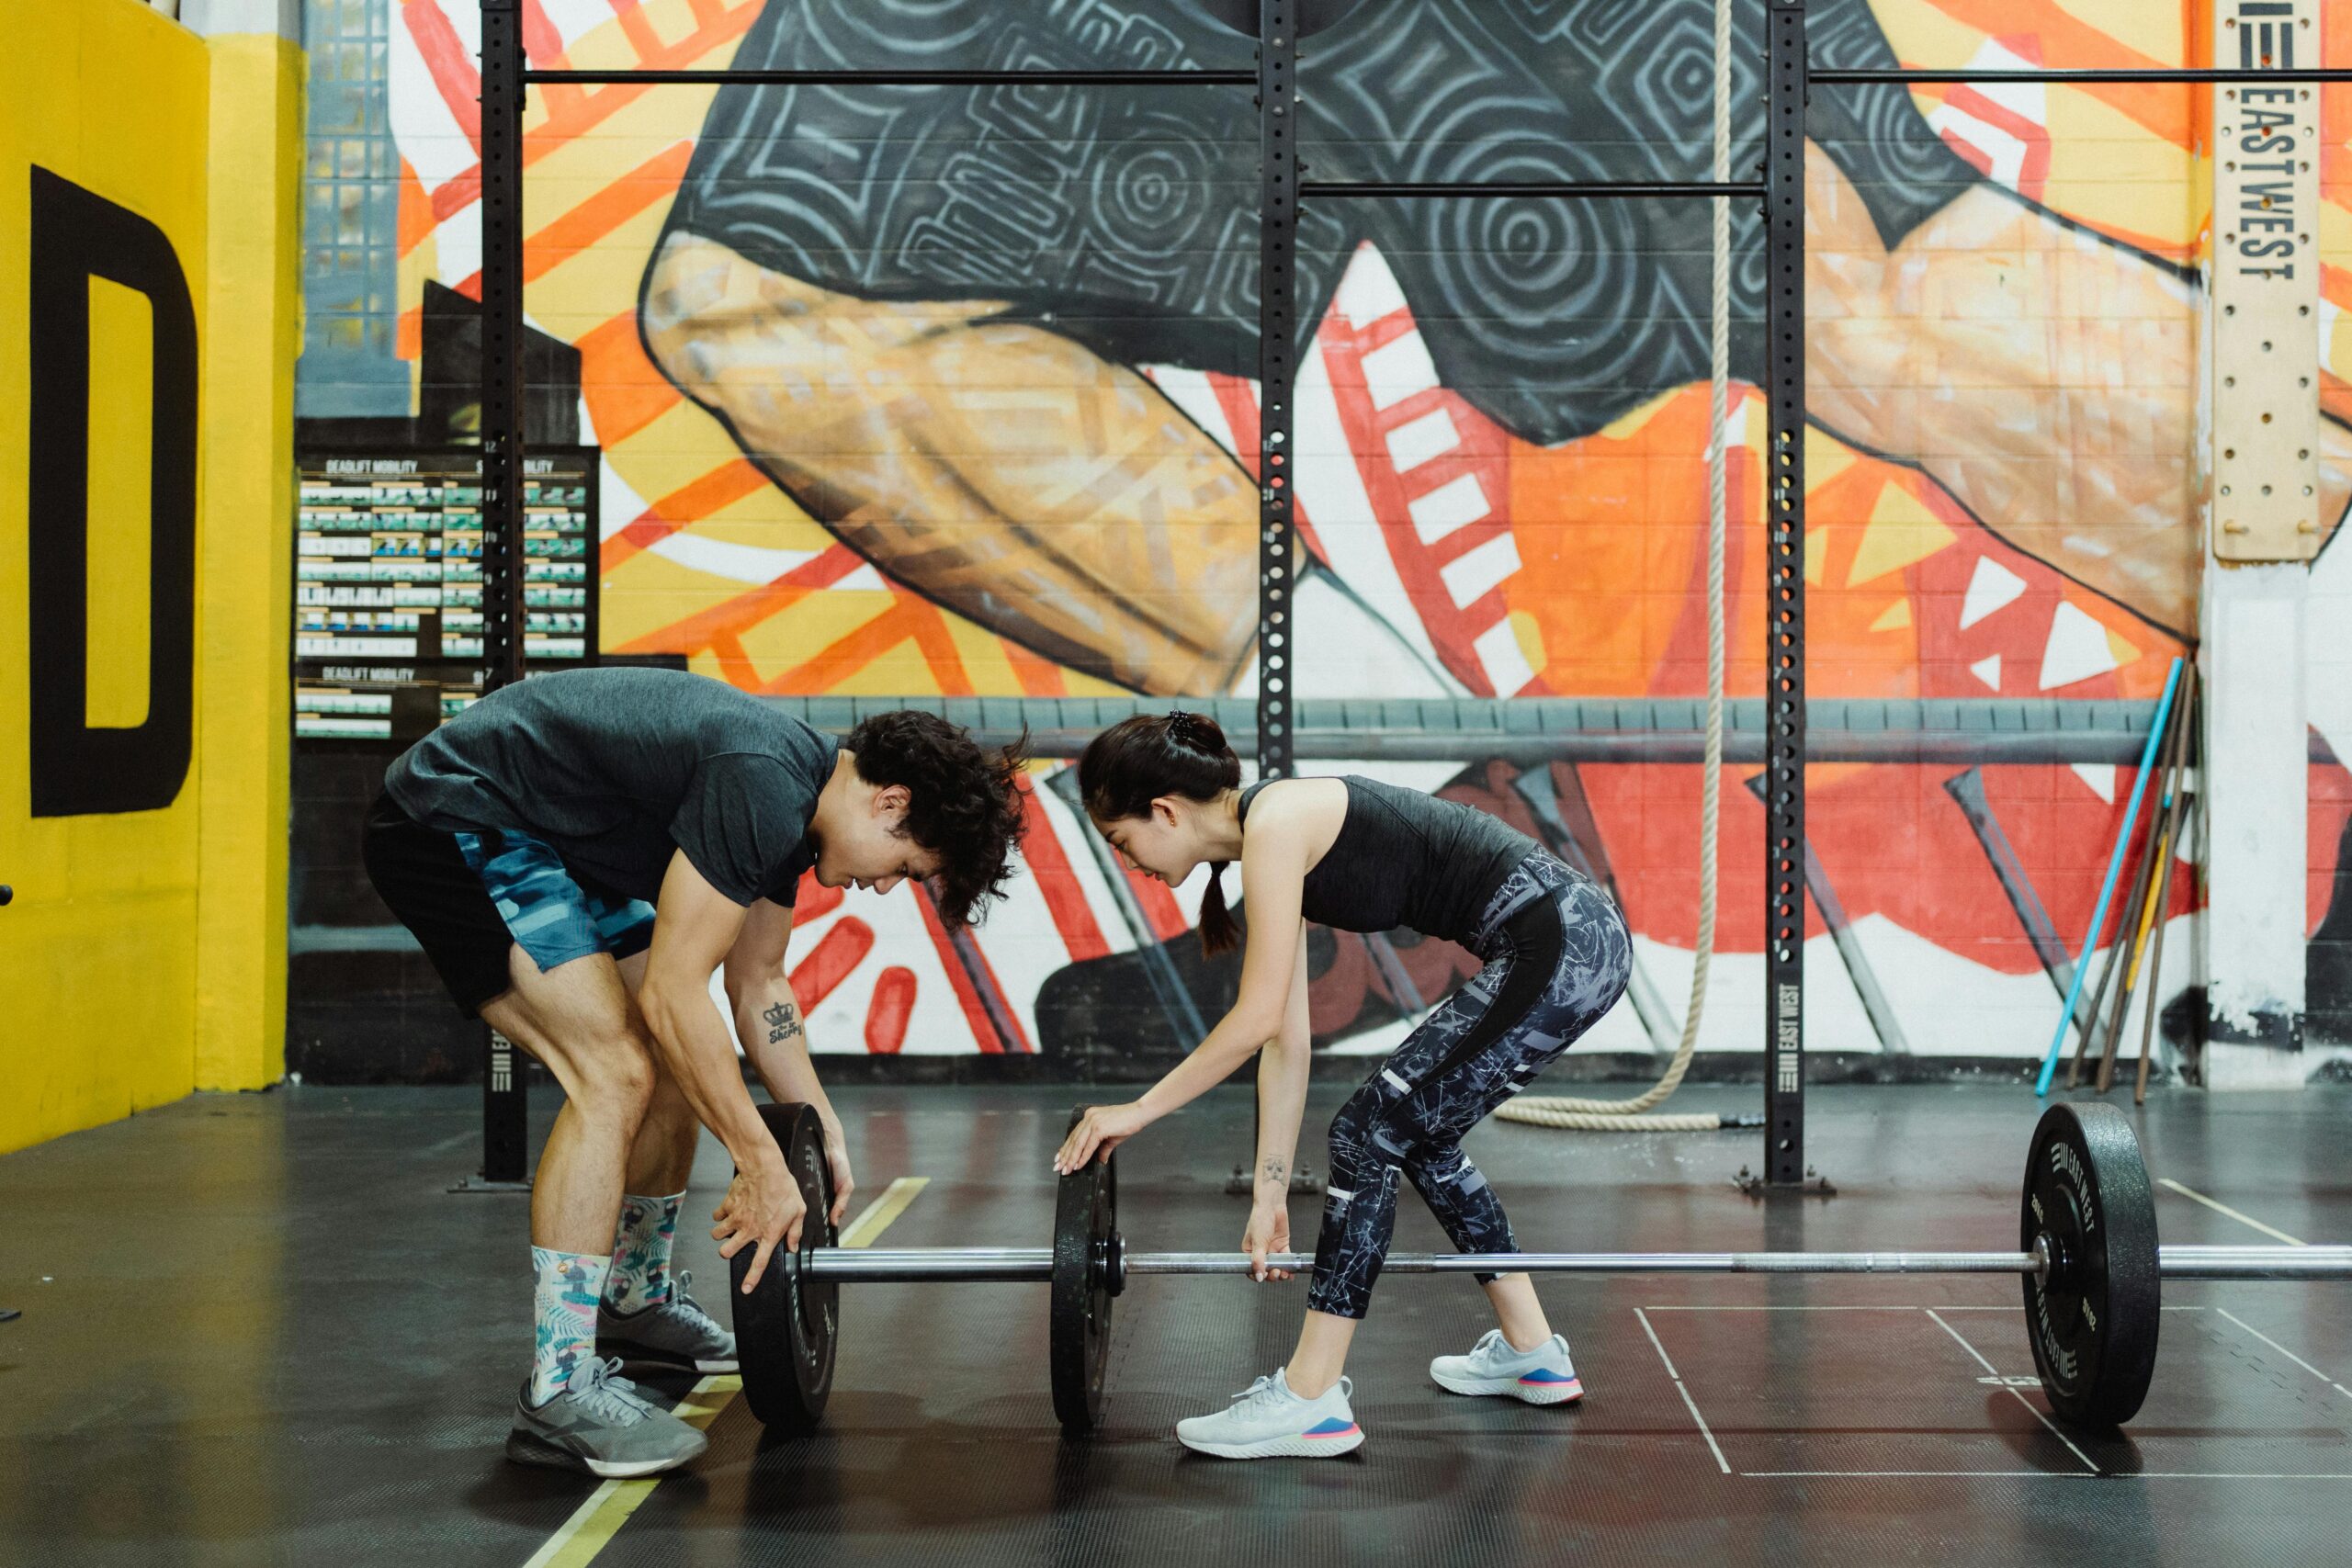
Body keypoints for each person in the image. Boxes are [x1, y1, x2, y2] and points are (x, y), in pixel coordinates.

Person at [362, 665, 1025, 1476]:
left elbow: (759, 986)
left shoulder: (794, 807)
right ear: (891, 803)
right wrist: (756, 1158)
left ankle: (634, 1303)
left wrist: (819, 1129)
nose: (883, 888)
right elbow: (679, 992)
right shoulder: (763, 782)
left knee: (672, 1067)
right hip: (454, 814)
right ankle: (558, 1388)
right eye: (904, 866)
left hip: (553, 841)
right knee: (615, 1072)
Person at [1054, 713, 1633, 1458]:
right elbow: (1284, 1039)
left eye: (1121, 838)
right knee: (1414, 1131)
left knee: (1367, 1129)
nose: (1126, 857)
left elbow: (1254, 1013)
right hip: (1567, 940)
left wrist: (1137, 1110)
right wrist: (1269, 1193)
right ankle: (1533, 1350)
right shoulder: (1271, 838)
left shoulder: (1277, 821)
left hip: (1563, 938)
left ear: (1164, 810)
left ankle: (1311, 1395)